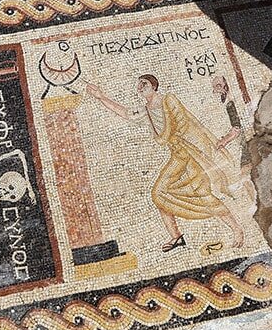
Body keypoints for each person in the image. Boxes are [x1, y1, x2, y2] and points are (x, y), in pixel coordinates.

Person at [86, 74, 246, 252]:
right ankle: (176, 236)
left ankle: (236, 229)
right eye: (139, 85)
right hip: (178, 155)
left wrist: (168, 137)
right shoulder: (146, 111)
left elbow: (182, 124)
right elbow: (126, 113)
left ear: (154, 86)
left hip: (190, 153)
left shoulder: (168, 100)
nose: (140, 87)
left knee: (202, 193)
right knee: (159, 193)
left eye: (144, 83)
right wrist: (101, 97)